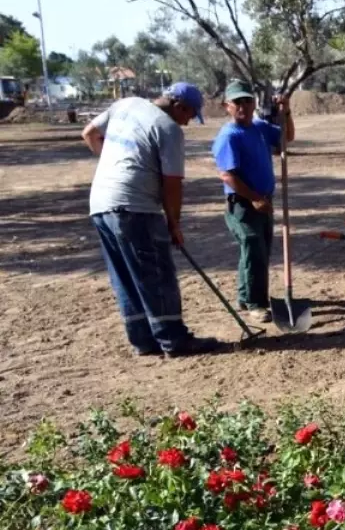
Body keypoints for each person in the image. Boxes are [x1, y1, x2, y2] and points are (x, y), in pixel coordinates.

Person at [81, 82, 222, 358]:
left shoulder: (126, 104)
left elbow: (89, 133)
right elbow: (172, 183)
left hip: (100, 203)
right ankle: (173, 339)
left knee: (125, 275)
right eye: (190, 115)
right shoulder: (168, 129)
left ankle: (143, 340)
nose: (188, 122)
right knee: (157, 273)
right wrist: (174, 223)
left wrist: (114, 165)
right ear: (179, 106)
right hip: (135, 208)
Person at [211, 79, 295, 324]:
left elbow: (286, 138)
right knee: (253, 246)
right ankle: (256, 304)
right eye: (238, 102)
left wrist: (286, 112)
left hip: (263, 202)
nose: (243, 106)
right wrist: (256, 199)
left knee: (257, 251)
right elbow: (227, 175)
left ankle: (244, 296)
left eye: (248, 101)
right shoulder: (229, 136)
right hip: (243, 204)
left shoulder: (258, 127)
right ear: (227, 106)